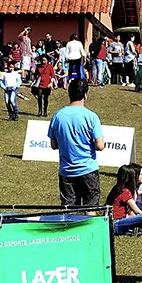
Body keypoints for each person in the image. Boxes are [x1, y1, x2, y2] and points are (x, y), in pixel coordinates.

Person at [49, 79, 104, 207]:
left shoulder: (57, 116)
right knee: (90, 207)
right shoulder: (91, 116)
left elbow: (53, 145)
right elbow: (100, 145)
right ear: (85, 94)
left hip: (66, 170)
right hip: (88, 169)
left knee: (68, 209)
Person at [105, 165, 142, 236]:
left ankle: (138, 228)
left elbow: (131, 212)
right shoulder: (125, 192)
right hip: (116, 223)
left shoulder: (118, 188)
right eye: (141, 174)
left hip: (115, 222)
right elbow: (138, 211)